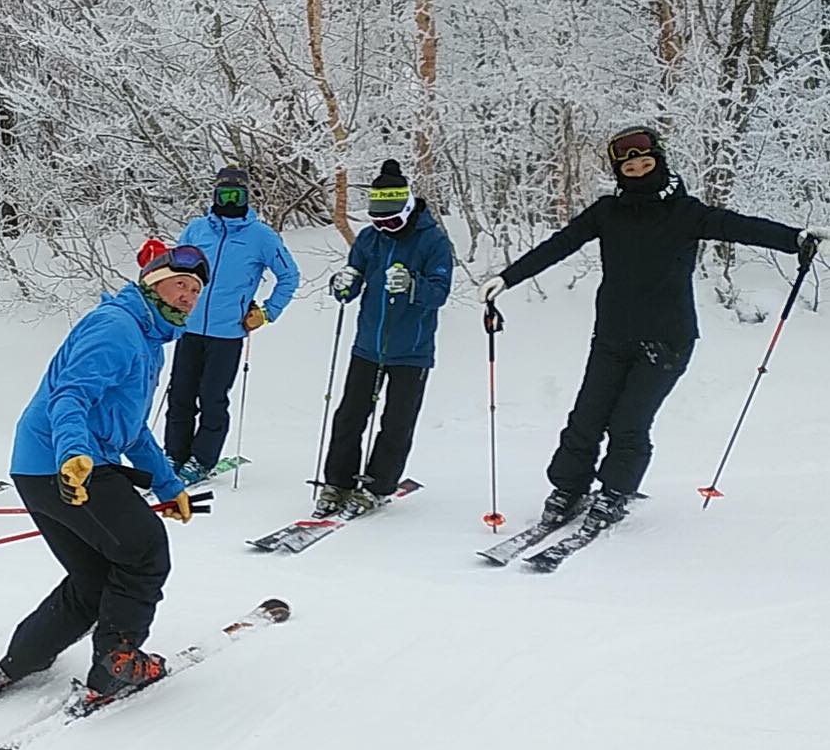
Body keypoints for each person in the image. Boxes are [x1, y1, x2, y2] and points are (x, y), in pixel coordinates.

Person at [477, 125, 828, 529]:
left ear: (658, 161)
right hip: (612, 335)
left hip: (668, 339)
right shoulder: (607, 213)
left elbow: (742, 227)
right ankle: (569, 489)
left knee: (629, 423)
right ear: (618, 172)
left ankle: (614, 493)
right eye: (629, 167)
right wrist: (508, 278)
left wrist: (795, 239)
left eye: (646, 162)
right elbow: (560, 244)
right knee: (586, 418)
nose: (639, 171)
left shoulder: (686, 212)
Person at [0, 243, 209, 701]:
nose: (189, 296)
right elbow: (69, 396)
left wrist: (169, 486)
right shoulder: (117, 328)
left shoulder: (146, 340)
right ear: (153, 282)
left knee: (94, 579)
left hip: (44, 465)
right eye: (181, 284)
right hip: (67, 464)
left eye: (195, 290)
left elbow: (131, 431)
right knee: (145, 549)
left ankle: (25, 657)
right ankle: (117, 662)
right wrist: (72, 454)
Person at [316, 159, 453, 518]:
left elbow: (440, 292)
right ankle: (338, 481)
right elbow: (353, 278)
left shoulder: (433, 240)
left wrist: (413, 285)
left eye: (391, 222)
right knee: (349, 416)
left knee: (396, 421)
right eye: (378, 222)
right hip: (367, 346)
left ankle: (378, 484)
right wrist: (343, 285)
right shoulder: (369, 239)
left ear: (407, 210)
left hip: (412, 351)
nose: (385, 228)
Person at [163, 166, 299, 484]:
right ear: (214, 195)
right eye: (224, 194)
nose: (229, 201)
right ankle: (173, 454)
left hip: (228, 333)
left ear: (246, 197)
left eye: (236, 195)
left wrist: (267, 313)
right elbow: (176, 271)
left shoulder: (261, 236)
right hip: (189, 329)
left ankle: (201, 459)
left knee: (212, 398)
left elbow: (289, 276)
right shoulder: (197, 230)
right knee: (180, 395)